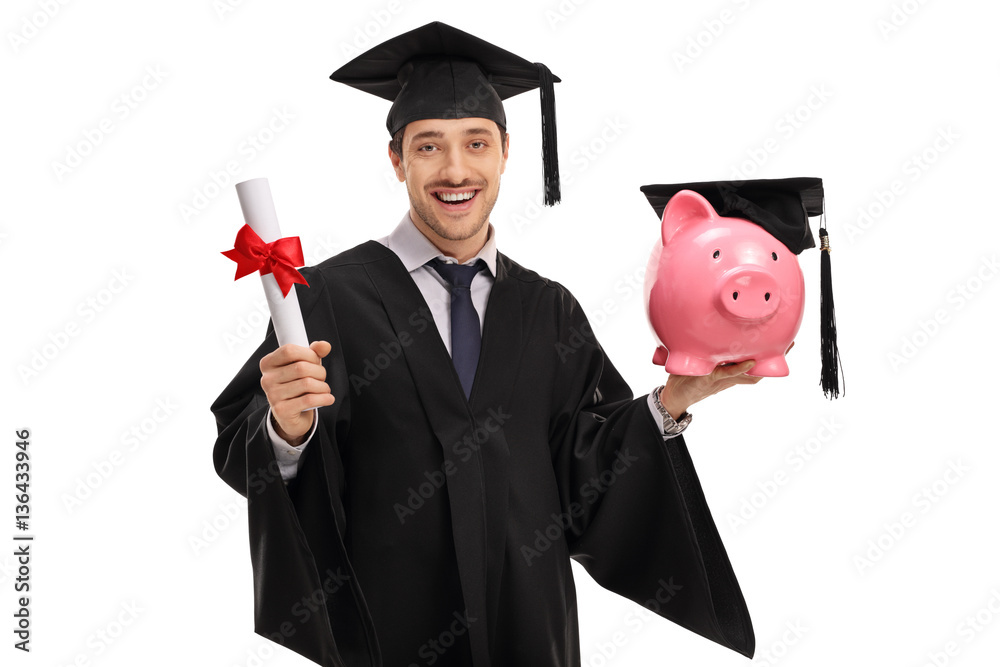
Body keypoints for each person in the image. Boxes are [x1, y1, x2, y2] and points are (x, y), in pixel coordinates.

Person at [213, 21, 758, 667]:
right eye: (428, 147)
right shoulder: (326, 297)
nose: (455, 169)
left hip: (529, 630)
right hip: (389, 634)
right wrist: (286, 427)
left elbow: (586, 473)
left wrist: (669, 402)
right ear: (397, 160)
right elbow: (238, 451)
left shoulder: (548, 308)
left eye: (476, 142)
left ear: (505, 151)